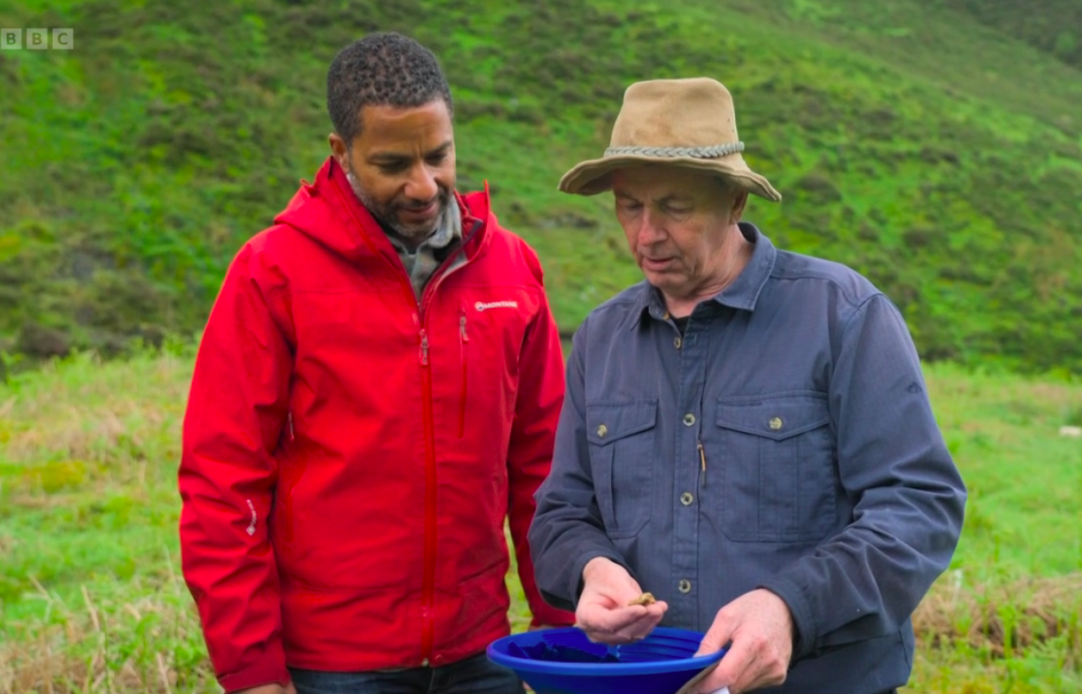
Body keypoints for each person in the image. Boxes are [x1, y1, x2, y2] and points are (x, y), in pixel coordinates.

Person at [528, 77, 966, 694]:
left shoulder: (843, 316)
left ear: (735, 203)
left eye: (675, 206)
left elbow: (919, 505)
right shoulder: (602, 339)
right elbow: (562, 512)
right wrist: (590, 567)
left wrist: (790, 607)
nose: (647, 233)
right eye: (630, 205)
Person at [179, 32, 573, 694]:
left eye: (439, 156)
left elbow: (543, 468)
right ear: (341, 152)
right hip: (334, 665)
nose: (425, 185)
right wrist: (250, 670)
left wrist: (561, 632)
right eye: (393, 164)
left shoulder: (511, 267)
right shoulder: (271, 273)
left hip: (484, 652)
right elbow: (223, 482)